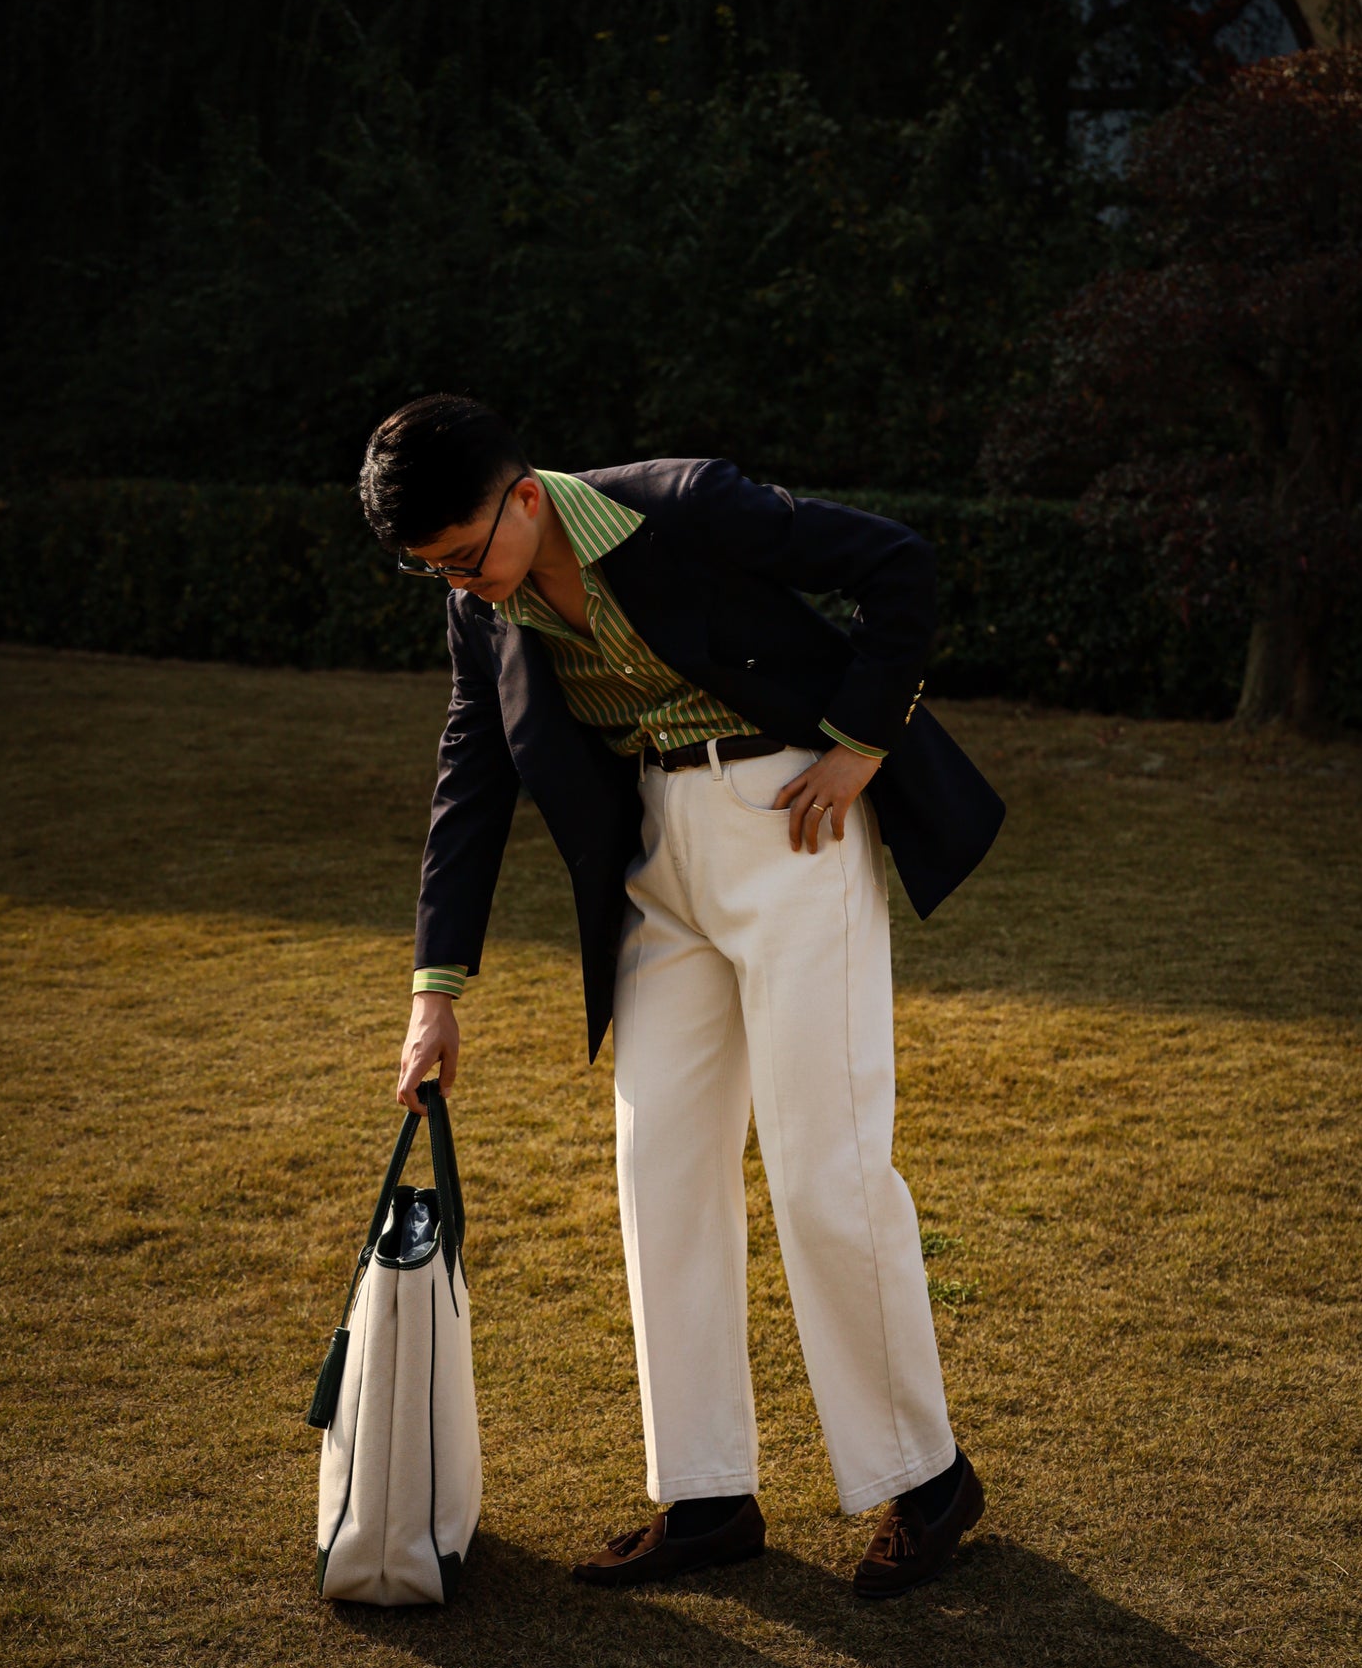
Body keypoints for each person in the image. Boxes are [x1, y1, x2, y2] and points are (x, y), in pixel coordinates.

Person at [358, 393, 1005, 1599]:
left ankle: (925, 1479)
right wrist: (432, 990)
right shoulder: (479, 611)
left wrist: (862, 737)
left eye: (466, 555)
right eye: (436, 572)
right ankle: (705, 1495)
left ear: (526, 495)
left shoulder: (689, 504)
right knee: (659, 1168)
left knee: (825, 1170)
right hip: (655, 872)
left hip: (793, 828)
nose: (466, 587)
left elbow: (895, 565)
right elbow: (471, 774)